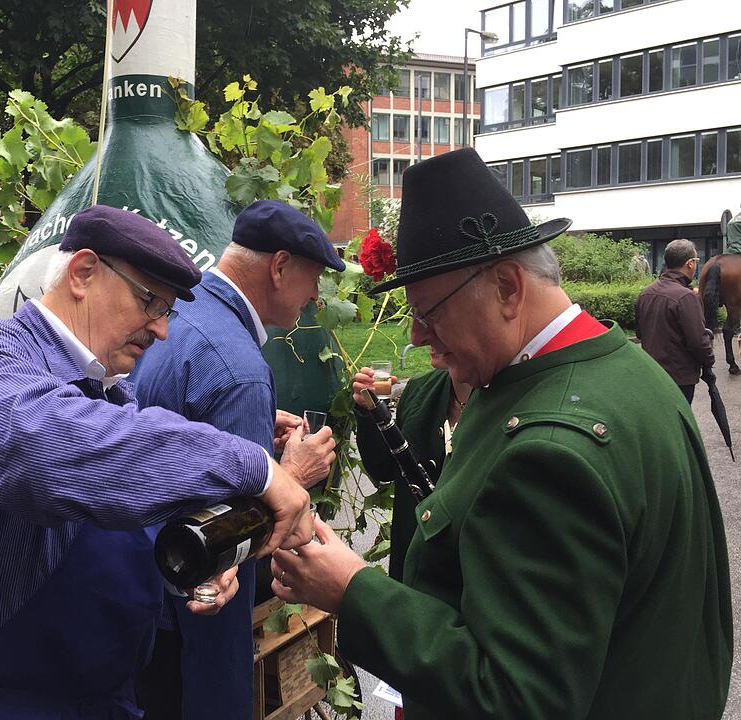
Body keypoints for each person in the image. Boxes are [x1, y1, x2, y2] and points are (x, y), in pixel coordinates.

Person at [270, 148, 733, 719]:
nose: (416, 338)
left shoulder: (548, 451)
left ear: (509, 289)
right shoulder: (631, 375)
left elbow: (513, 697)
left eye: (429, 312)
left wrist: (353, 589)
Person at [0, 205, 316, 720]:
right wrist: (257, 467)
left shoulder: (113, 395)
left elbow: (123, 510)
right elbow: (47, 448)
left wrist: (192, 563)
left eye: (168, 311)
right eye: (150, 301)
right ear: (83, 272)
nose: (161, 330)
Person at [129, 200, 342, 720]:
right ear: (280, 266)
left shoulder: (175, 312)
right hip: (194, 615)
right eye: (313, 278)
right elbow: (227, 528)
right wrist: (292, 476)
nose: (315, 296)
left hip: (136, 597)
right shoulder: (236, 365)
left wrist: (253, 433)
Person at [353, 351, 471, 585]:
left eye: (434, 315)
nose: (419, 337)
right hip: (409, 571)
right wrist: (370, 411)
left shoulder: (506, 401)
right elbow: (383, 468)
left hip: (463, 583)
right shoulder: (419, 390)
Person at [635, 238, 716, 403]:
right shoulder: (686, 297)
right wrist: (709, 359)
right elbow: (698, 341)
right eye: (696, 260)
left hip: (653, 374)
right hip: (680, 378)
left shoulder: (645, 294)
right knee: (680, 424)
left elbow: (640, 333)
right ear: (690, 264)